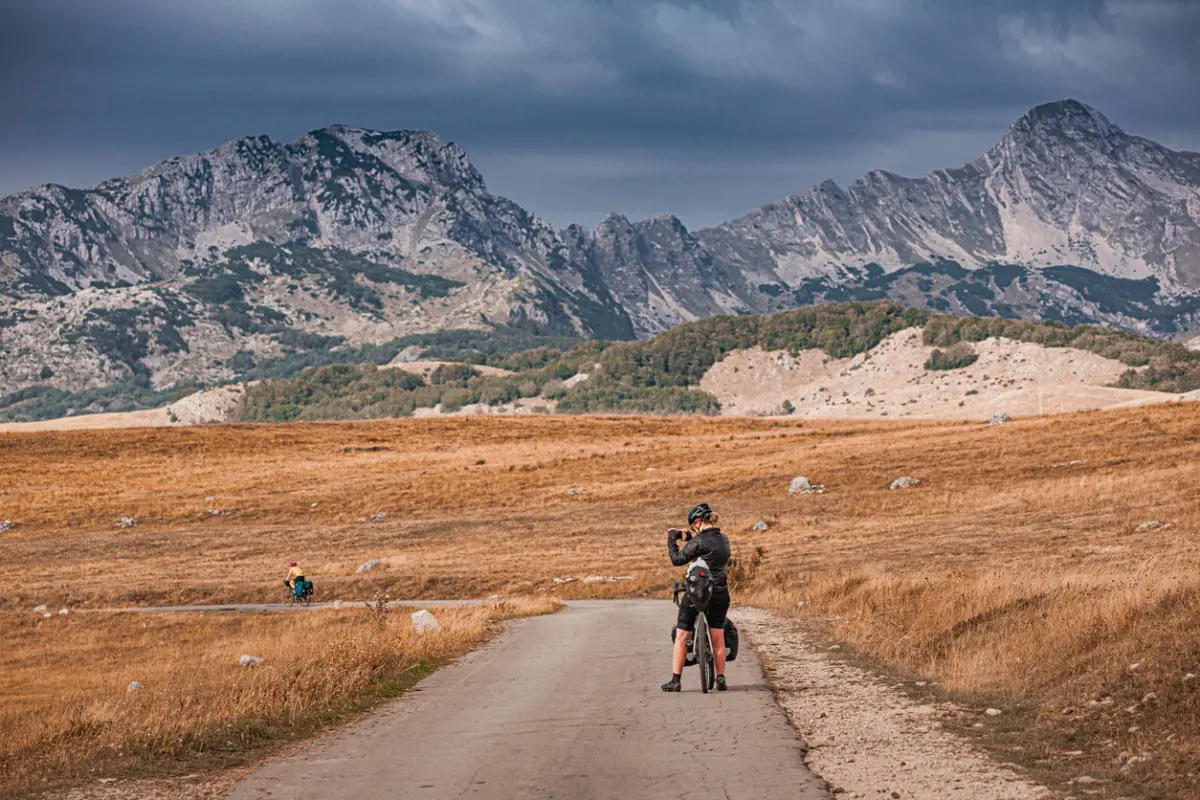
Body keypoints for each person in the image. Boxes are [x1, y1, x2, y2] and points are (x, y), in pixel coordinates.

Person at [662, 503, 732, 693]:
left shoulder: (699, 541)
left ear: (698, 522)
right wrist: (691, 538)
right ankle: (720, 678)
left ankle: (675, 681)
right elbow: (706, 549)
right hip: (719, 592)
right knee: (718, 637)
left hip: (698, 592)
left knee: (682, 634)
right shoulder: (724, 539)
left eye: (694, 526)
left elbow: (677, 559)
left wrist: (672, 539)